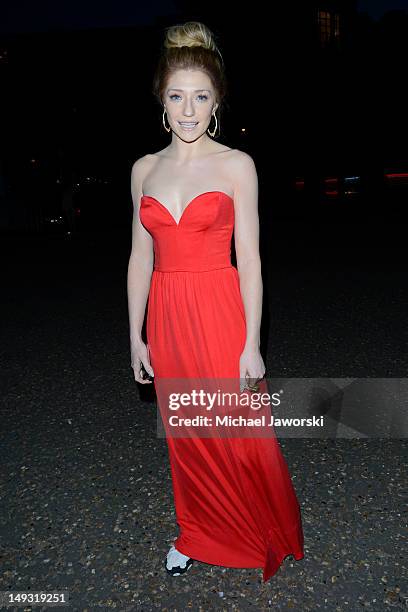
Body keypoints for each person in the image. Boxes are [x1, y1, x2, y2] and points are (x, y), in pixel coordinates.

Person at [127, 21, 304, 582]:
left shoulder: (236, 166)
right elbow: (139, 259)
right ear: (162, 99)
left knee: (236, 432)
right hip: (168, 313)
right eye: (177, 96)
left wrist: (252, 341)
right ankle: (196, 533)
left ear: (217, 102)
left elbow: (250, 260)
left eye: (200, 97)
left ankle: (256, 528)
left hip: (220, 308)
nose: (188, 109)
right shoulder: (143, 171)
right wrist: (135, 334)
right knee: (187, 434)